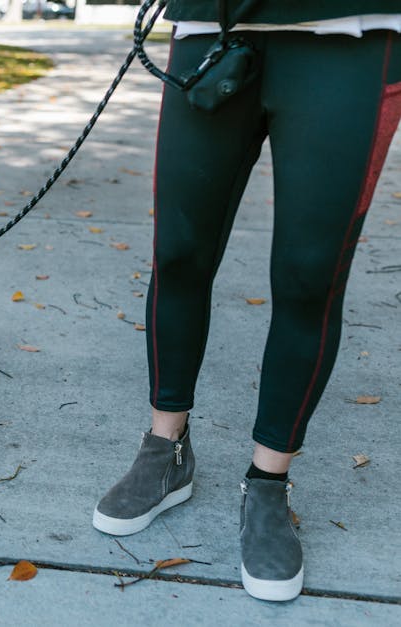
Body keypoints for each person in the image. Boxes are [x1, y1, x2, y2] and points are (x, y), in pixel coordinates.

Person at [91, 0, 401, 602]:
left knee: (310, 276)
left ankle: (268, 484)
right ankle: (166, 448)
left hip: (350, 32)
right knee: (178, 253)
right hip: (213, 21)